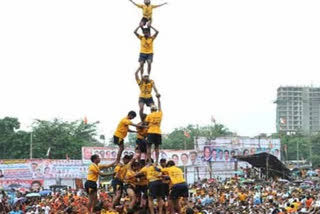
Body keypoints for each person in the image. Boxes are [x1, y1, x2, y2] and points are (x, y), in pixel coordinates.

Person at [145, 96, 162, 164]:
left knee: (149, 147)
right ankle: (157, 161)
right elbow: (159, 105)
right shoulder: (160, 114)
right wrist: (158, 98)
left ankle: (149, 161)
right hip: (158, 132)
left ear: (151, 110)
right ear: (156, 109)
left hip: (151, 132)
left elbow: (146, 124)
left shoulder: (149, 115)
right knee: (157, 147)